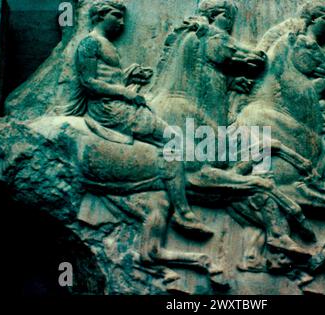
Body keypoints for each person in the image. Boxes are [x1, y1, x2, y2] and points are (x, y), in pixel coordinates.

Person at [61, 0, 213, 237]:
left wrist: (129, 75)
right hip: (110, 109)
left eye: (123, 17)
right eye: (116, 16)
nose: (121, 22)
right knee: (173, 139)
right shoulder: (89, 43)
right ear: (99, 15)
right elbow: (89, 82)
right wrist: (126, 92)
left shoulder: (105, 44)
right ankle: (183, 213)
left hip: (119, 103)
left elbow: (109, 77)